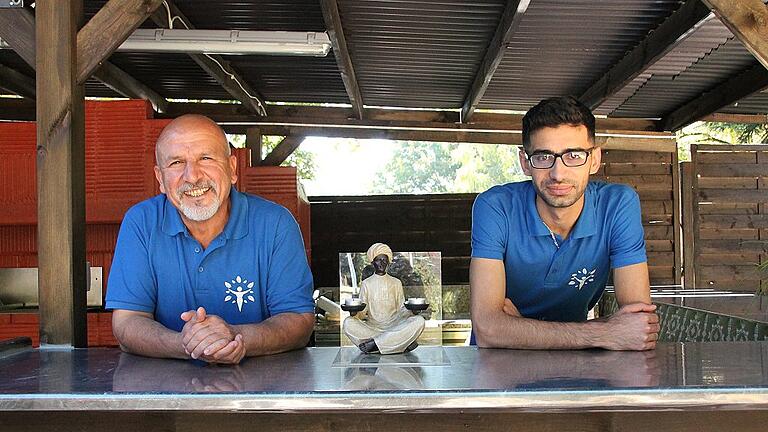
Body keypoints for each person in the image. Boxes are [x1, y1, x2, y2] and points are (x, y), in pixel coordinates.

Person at [105, 114, 315, 364]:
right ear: (160, 179)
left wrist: (237, 337)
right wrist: (189, 344)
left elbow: (299, 321)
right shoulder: (141, 223)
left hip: (261, 395)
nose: (192, 176)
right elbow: (127, 322)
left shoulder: (276, 224)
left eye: (205, 158)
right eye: (176, 163)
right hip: (164, 395)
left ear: (233, 169)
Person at [470, 96, 660, 351]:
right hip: (497, 367)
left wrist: (518, 329)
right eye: (543, 157)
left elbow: (639, 327)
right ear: (525, 163)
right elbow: (488, 330)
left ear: (594, 159)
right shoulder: (496, 207)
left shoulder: (617, 205)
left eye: (573, 155)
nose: (558, 174)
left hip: (578, 365)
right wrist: (602, 332)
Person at [342, 243, 425, 354]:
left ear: (388, 262)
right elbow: (362, 313)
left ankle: (375, 344)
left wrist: (412, 310)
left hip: (395, 325)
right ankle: (398, 343)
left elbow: (401, 310)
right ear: (372, 262)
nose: (381, 263)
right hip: (373, 329)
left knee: (419, 321)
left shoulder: (396, 283)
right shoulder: (366, 284)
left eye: (384, 260)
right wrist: (354, 312)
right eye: (378, 260)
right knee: (348, 323)